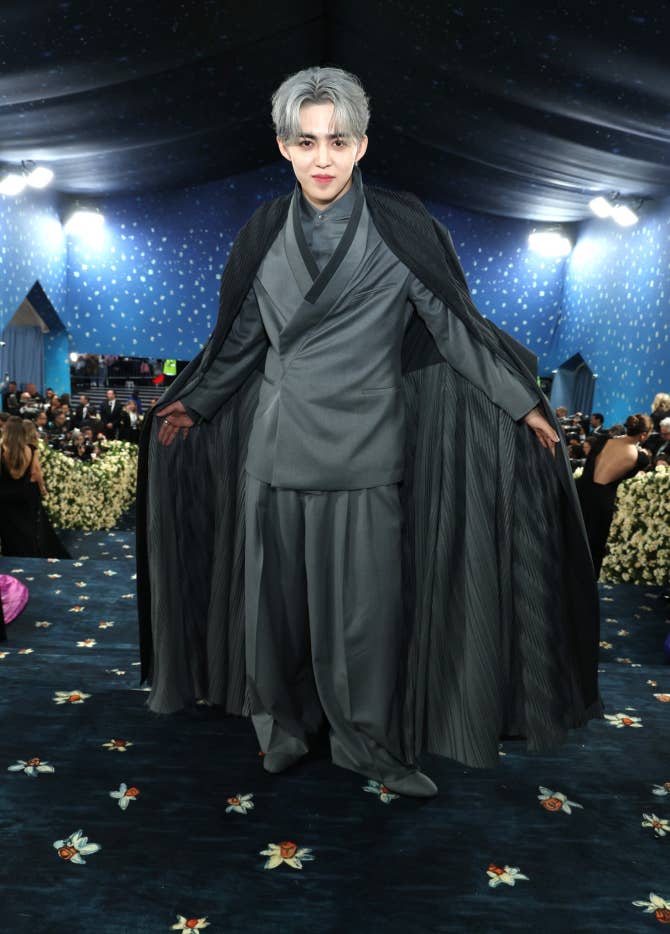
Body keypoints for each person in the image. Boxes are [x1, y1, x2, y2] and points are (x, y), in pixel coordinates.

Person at [137, 66, 601, 796]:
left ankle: (369, 747)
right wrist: (193, 404)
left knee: (365, 623)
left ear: (361, 145)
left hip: (365, 455)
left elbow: (455, 329)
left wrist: (524, 404)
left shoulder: (401, 227)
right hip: (273, 453)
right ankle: (282, 729)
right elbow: (242, 339)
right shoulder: (263, 230)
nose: (322, 157)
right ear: (284, 146)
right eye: (306, 141)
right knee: (272, 615)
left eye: (337, 140)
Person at [576, 413, 652, 578]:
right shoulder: (640, 458)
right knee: (593, 548)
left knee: (573, 540)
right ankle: (586, 589)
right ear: (643, 435)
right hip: (601, 503)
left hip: (580, 493)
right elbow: (630, 473)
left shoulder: (603, 439)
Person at [0, 416, 68, 558]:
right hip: (24, 494)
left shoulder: (2, 449)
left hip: (4, 496)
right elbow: (35, 472)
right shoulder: (31, 449)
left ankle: (10, 554)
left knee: (8, 528)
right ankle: (29, 554)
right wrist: (42, 488)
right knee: (26, 527)